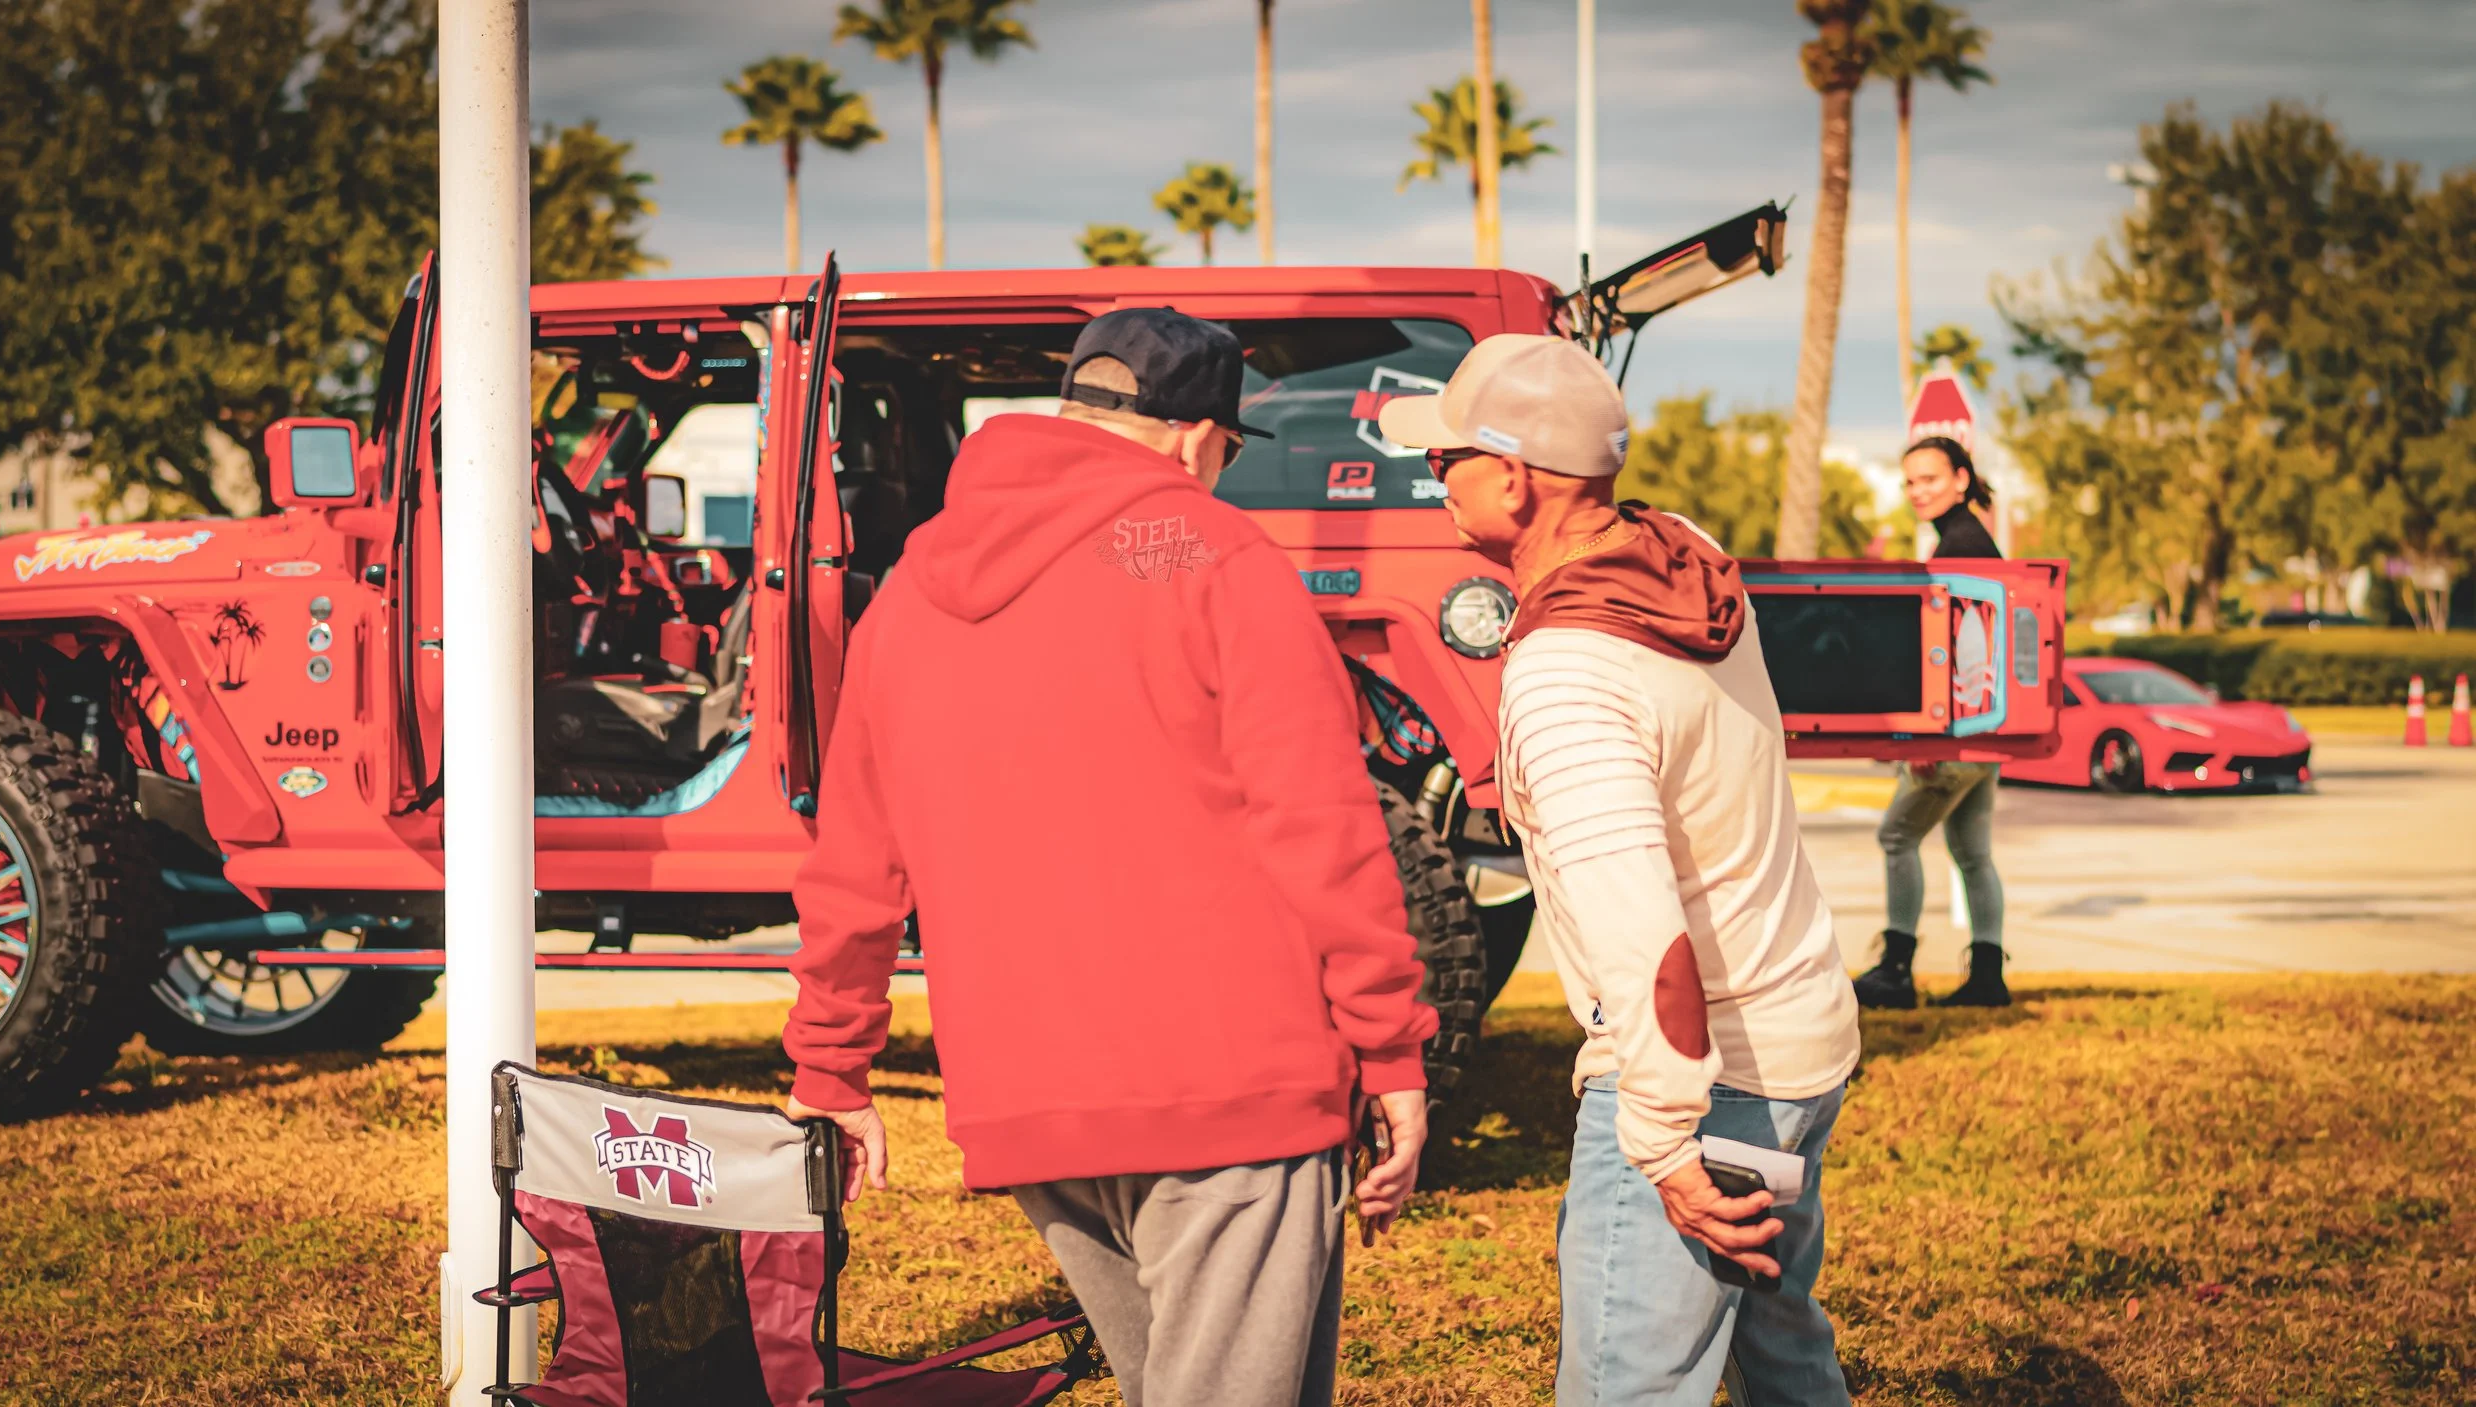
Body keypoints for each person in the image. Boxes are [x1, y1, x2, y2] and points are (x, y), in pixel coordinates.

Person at [781, 307, 1439, 1407]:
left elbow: (854, 858)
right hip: (1238, 1084)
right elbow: (1324, 829)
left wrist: (831, 1066)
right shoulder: (1218, 555)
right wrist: (1392, 1050)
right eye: (1229, 452)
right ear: (1195, 436)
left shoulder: (907, 591)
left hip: (1030, 1097)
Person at [1379, 334, 1861, 1407]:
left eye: (1444, 458)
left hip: (1705, 1079)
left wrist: (1660, 1145)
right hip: (1797, 1029)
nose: (1433, 480)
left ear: (1510, 476)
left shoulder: (1564, 674)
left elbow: (1647, 941)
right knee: (1779, 1340)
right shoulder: (1679, 553)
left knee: (1628, 1387)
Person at [1852, 435, 2009, 1009]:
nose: (1919, 491)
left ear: (1962, 479)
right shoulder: (1973, 541)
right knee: (1972, 854)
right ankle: (1988, 978)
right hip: (1986, 729)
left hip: (1955, 731)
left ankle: (1895, 972)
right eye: (1911, 482)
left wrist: (1924, 733)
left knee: (1896, 836)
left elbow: (1950, 655)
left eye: (1932, 479)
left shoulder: (1958, 550)